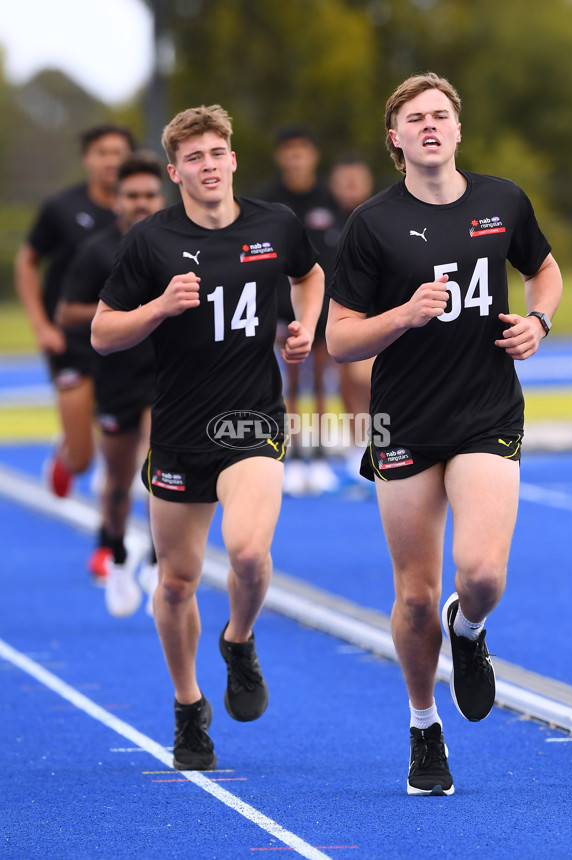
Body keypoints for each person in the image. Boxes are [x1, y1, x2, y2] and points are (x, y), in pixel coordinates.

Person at [326, 72, 562, 796]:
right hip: (404, 420)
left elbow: (544, 270)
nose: (429, 124)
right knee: (416, 596)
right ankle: (424, 725)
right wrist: (402, 315)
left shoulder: (502, 200)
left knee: (481, 575)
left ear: (458, 129)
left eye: (440, 114)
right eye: (413, 117)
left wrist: (538, 321)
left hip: (486, 409)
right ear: (394, 139)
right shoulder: (371, 224)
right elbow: (338, 339)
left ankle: (471, 630)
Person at [91, 105, 324, 770]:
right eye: (194, 158)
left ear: (232, 158)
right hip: (180, 431)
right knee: (176, 584)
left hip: (253, 421)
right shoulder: (150, 241)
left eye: (217, 152)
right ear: (175, 172)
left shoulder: (274, 224)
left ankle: (240, 640)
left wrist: (304, 325)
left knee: (248, 556)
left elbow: (309, 274)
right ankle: (189, 706)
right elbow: (103, 334)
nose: (209, 165)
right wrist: (159, 307)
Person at [57, 154, 165, 607]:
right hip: (117, 374)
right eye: (132, 195)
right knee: (119, 482)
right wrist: (122, 314)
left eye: (149, 195)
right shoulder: (98, 250)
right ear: (117, 201)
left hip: (166, 376)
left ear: (162, 197)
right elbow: (67, 313)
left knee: (159, 471)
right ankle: (116, 552)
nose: (141, 202)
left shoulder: (179, 243)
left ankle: (161, 562)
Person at [15, 123, 136, 497]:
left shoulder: (143, 209)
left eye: (119, 152)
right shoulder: (62, 208)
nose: (111, 161)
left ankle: (114, 532)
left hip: (125, 341)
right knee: (82, 459)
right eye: (102, 152)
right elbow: (26, 261)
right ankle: (67, 451)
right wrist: (41, 325)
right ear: (87, 159)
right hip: (72, 341)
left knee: (134, 437)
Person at [258, 126, 342, 495]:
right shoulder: (268, 202)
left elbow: (339, 254)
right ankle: (291, 456)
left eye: (302, 150)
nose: (296, 158)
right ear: (280, 156)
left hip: (324, 305)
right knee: (288, 384)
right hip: (282, 305)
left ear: (314, 155)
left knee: (322, 384)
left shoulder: (330, 199)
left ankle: (321, 457)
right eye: (289, 151)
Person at [328, 156, 377, 482]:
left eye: (356, 180)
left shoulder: (380, 216)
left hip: (377, 311)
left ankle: (380, 444)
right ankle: (355, 449)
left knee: (369, 380)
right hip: (338, 312)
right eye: (344, 181)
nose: (350, 188)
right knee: (346, 383)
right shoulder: (325, 221)